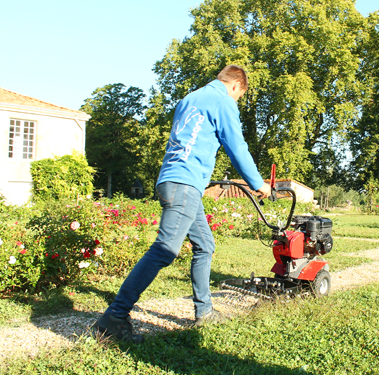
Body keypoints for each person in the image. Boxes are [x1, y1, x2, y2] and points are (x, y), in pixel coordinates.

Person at [93, 65, 272, 343]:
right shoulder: (223, 100)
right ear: (236, 86)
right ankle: (114, 318)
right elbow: (236, 146)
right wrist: (258, 183)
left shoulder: (190, 99)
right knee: (164, 250)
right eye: (239, 96)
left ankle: (205, 312)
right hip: (185, 184)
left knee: (205, 244)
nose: (236, 100)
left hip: (172, 180)